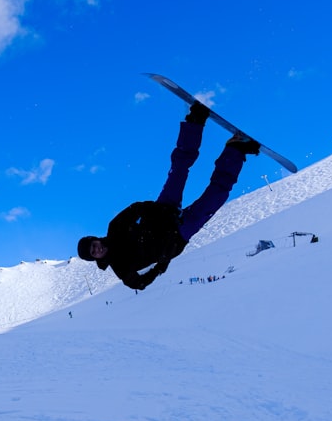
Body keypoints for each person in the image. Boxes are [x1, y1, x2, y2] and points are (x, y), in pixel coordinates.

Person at [77, 101, 259, 290]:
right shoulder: (119, 266)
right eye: (93, 253)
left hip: (161, 214)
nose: (97, 249)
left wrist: (156, 209)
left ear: (95, 239)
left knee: (179, 168)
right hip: (176, 238)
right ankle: (236, 148)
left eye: (93, 245)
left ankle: (195, 121)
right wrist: (160, 266)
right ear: (94, 258)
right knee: (216, 196)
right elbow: (137, 284)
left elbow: (136, 208)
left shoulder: (115, 228)